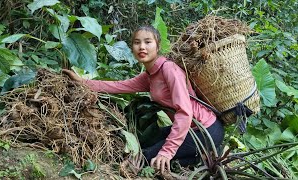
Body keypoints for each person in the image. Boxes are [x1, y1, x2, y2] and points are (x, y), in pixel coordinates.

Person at [62, 25, 224, 174]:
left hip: (205, 130)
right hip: (189, 129)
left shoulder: (169, 69)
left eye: (148, 42)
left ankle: (191, 158)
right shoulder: (149, 76)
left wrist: (167, 151)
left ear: (158, 46)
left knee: (146, 157)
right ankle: (193, 159)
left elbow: (184, 112)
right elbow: (118, 86)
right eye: (137, 43)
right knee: (144, 142)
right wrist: (81, 81)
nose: (142, 47)